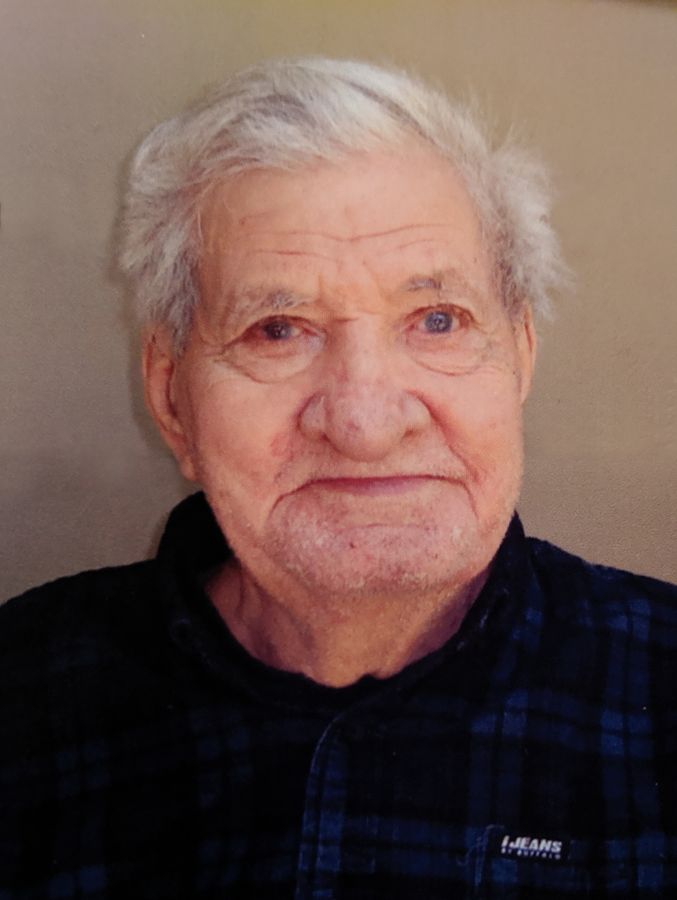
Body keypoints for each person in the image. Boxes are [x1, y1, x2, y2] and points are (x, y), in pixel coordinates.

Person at [1, 58, 675, 899]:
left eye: (437, 320)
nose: (364, 422)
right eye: (277, 329)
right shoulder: (21, 694)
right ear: (171, 397)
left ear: (520, 357)